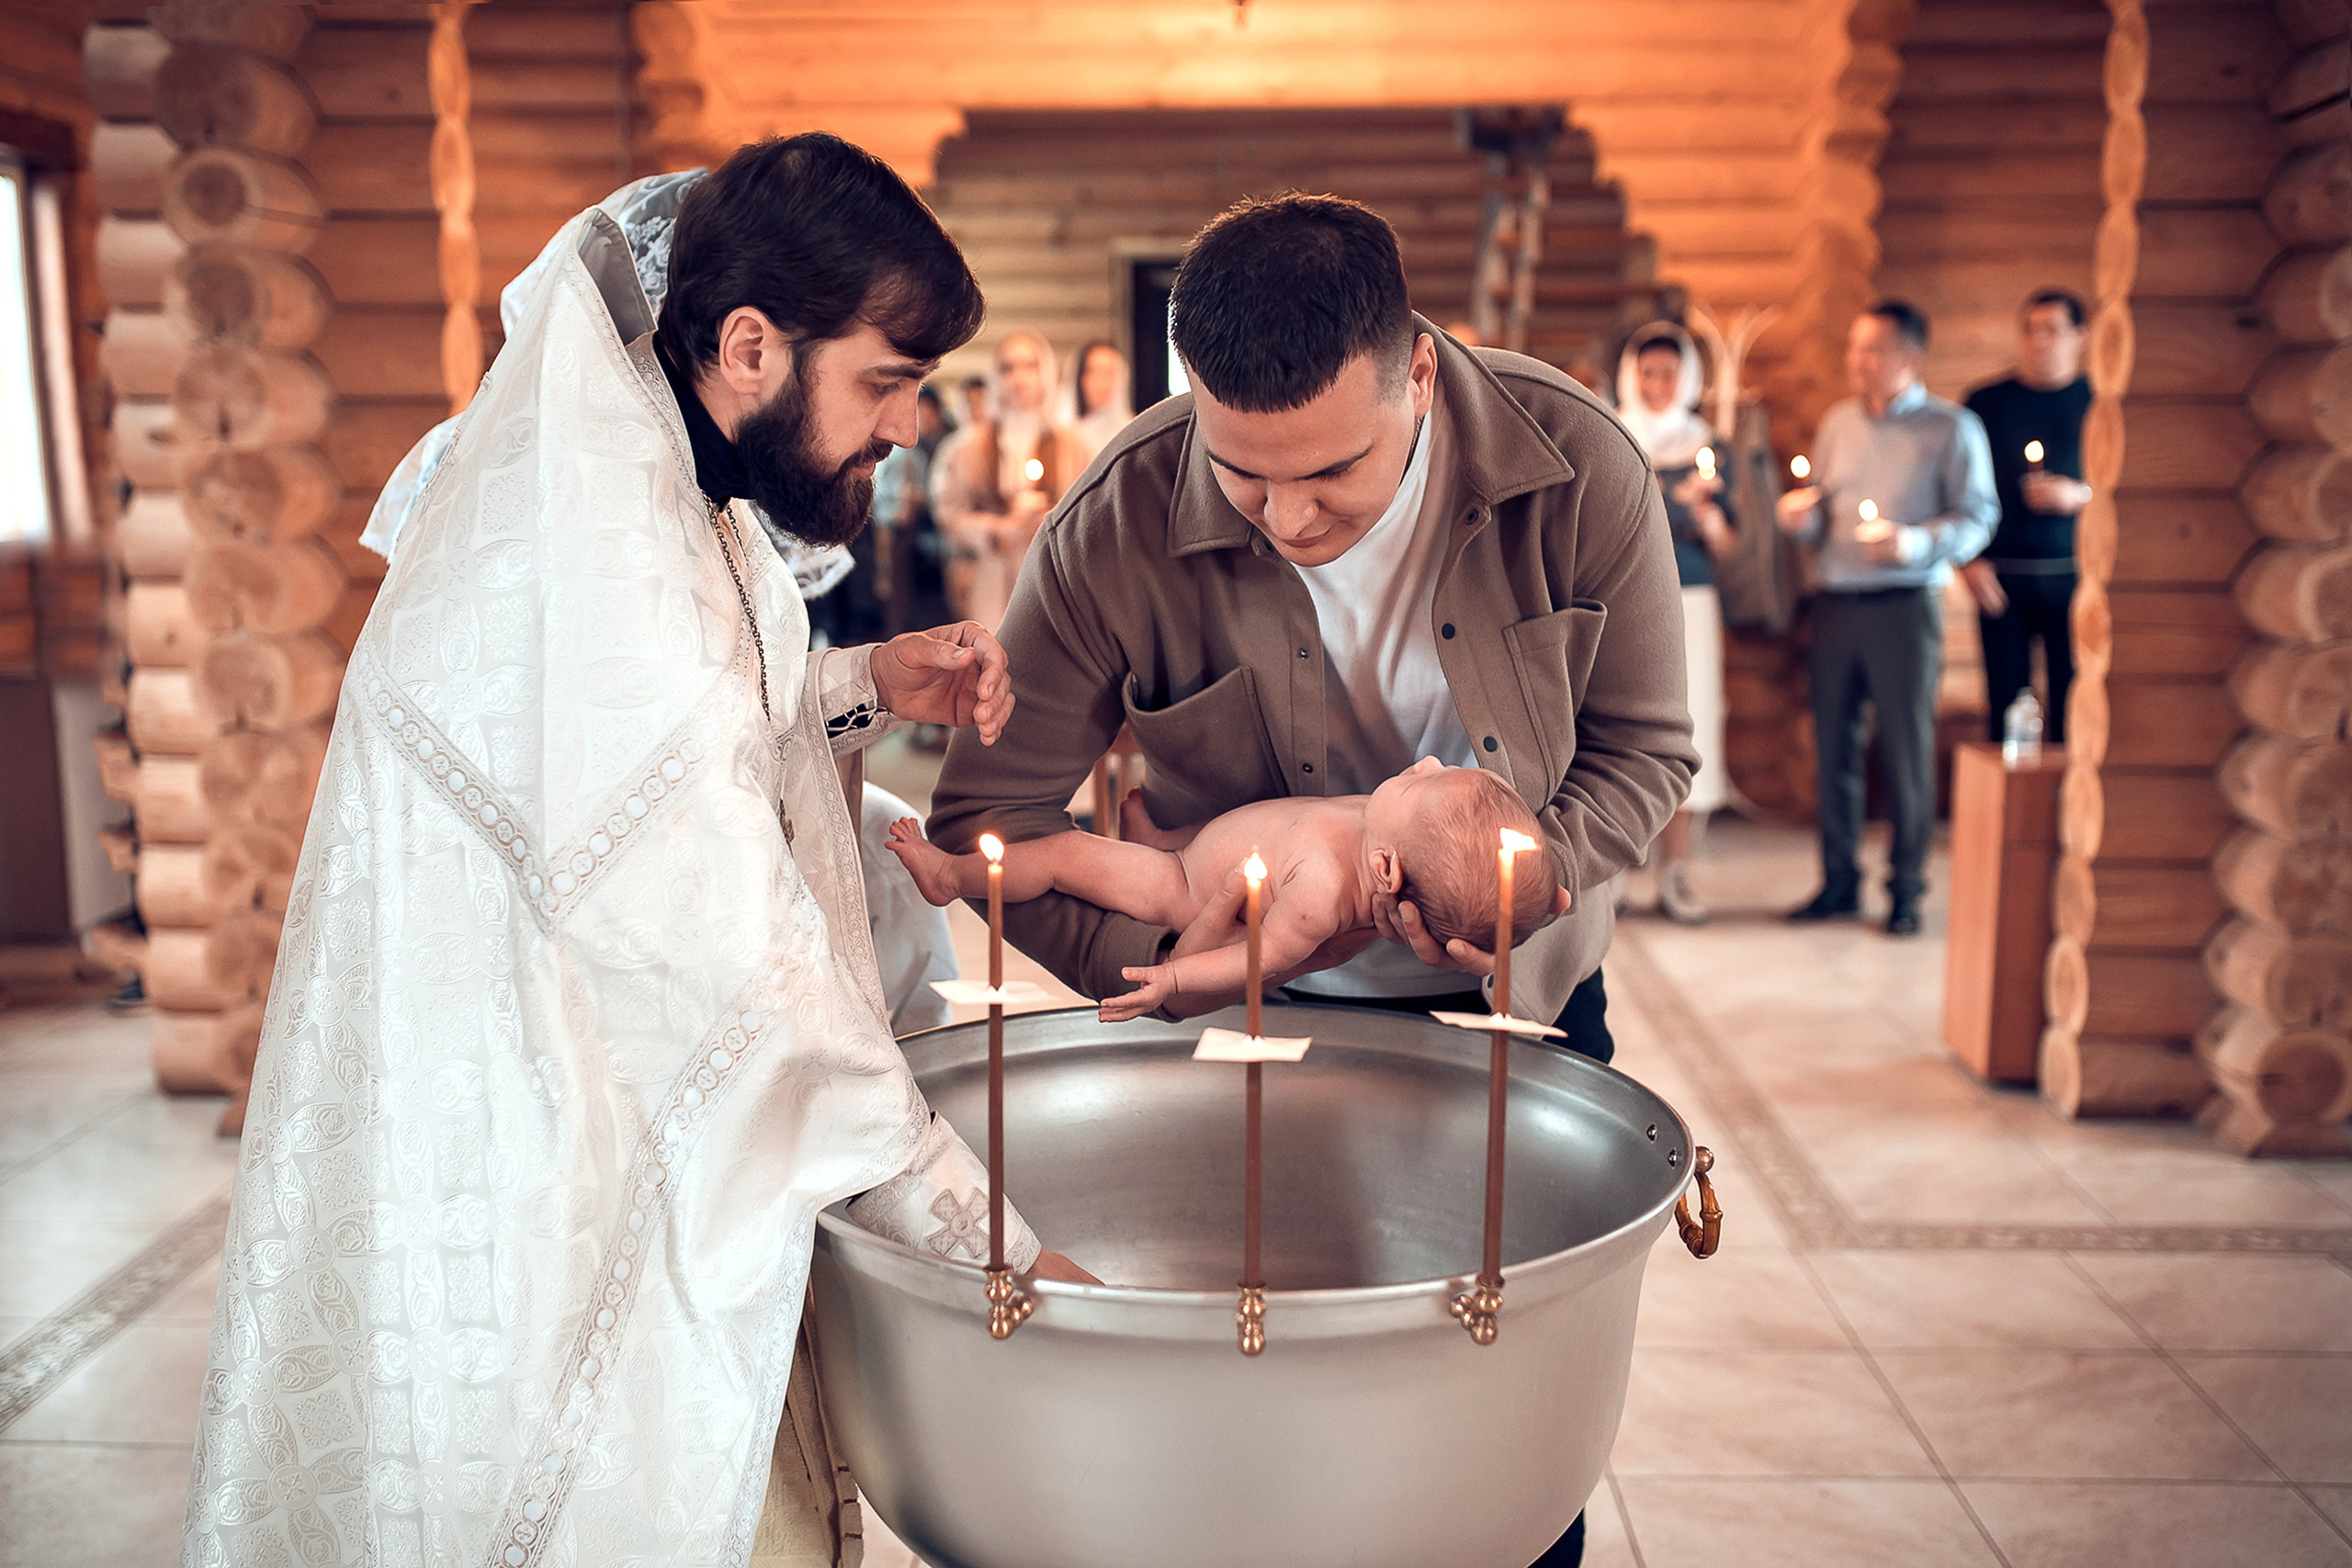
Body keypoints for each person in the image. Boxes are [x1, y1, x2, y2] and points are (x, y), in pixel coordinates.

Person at [187, 135, 1093, 1568]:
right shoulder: (594, 532)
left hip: (594, 1095)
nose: (908, 425)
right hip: (549, 1174)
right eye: (886, 379)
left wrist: (861, 683)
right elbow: (729, 952)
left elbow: (667, 747)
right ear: (749, 344)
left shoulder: (642, 468)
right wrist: (986, 1233)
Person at [929, 194, 1694, 1567]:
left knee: (1489, 1455)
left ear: (1417, 372)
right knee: (1252, 1460)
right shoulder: (1117, 519)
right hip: (1236, 1044)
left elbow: (1646, 754)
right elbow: (991, 811)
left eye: (1329, 475)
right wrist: (1169, 956)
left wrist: (1515, 886)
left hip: (1505, 1024)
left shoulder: (1580, 467)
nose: (1284, 516)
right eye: (1242, 474)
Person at [890, 756, 1559, 1023]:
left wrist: (1173, 978)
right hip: (1202, 846)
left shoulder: (1321, 895)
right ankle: (1153, 838)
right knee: (1199, 837)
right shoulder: (1381, 836)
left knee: (1066, 854)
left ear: (1386, 872)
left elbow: (1257, 958)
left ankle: (949, 877)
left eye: (1419, 783)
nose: (1426, 762)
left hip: (1179, 885)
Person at [1776, 299, 1997, 936]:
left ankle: (1906, 888)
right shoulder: (1839, 422)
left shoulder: (1953, 428)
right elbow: (1822, 507)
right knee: (1833, 746)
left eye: (1871, 351)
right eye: (1854, 350)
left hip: (1905, 605)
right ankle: (1838, 882)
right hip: (1837, 601)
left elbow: (1980, 515)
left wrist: (1917, 543)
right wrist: (1802, 519)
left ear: (1910, 359)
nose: (1857, 363)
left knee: (1904, 750)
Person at [1614, 322, 1736, 925]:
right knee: (1611, 727)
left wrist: (1707, 512)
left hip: (1689, 600)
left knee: (1692, 729)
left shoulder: (1708, 445)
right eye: (1648, 372)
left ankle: (1677, 873)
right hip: (1617, 601)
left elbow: (1730, 543)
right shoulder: (1608, 432)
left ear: (1688, 379)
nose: (1658, 384)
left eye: (1669, 373)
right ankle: (1609, 872)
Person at [1962, 288, 2092, 743]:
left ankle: (2068, 809)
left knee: (2075, 702)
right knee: (2004, 705)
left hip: (2075, 578)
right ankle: (2011, 810)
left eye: (2052, 330)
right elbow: (1960, 488)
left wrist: (2079, 496)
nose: (2039, 341)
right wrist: (1969, 562)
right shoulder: (1985, 405)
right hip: (2002, 578)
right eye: (2031, 330)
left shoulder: (2097, 404)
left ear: (2080, 336)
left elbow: (2128, 489)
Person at [929, 330, 1083, 627]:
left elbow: (1092, 509)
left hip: (1055, 578)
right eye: (1008, 368)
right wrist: (997, 530)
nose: (1019, 378)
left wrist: (1052, 521)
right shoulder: (965, 448)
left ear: (1046, 373)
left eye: (1029, 366)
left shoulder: (1074, 445)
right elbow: (949, 514)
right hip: (989, 581)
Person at [1061, 338, 1136, 466]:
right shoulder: (1062, 434)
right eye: (1094, 372)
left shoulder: (1133, 430)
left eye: (1109, 373)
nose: (1102, 383)